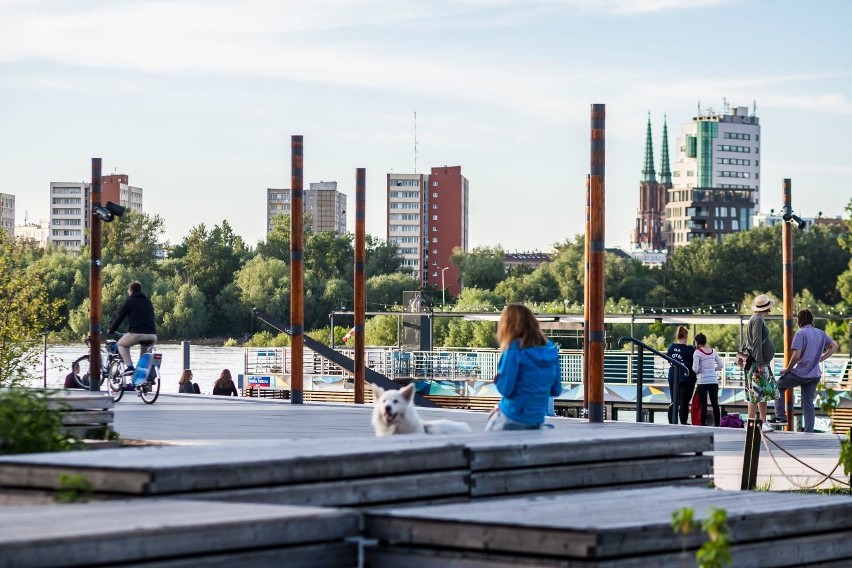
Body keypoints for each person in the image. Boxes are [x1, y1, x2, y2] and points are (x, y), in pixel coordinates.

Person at [485, 304, 562, 431]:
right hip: (537, 420)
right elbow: (556, 390)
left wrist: (498, 380)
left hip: (513, 416)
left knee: (491, 421)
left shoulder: (514, 349)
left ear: (507, 326)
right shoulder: (551, 349)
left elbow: (506, 390)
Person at [768, 309, 839, 432]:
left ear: (799, 320)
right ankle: (809, 430)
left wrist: (788, 369)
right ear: (811, 319)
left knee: (778, 385)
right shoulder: (821, 333)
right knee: (808, 403)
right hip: (815, 375)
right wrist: (821, 358)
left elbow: (796, 356)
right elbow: (834, 346)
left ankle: (780, 417)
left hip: (801, 373)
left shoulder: (801, 334)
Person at [743, 294, 777, 433]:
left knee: (761, 394)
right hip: (758, 364)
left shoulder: (755, 319)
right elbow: (756, 343)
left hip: (759, 363)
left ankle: (762, 422)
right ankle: (752, 423)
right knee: (756, 394)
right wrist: (761, 363)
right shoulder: (757, 320)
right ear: (767, 308)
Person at [107, 281, 157, 376]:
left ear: (131, 291)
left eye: (128, 290)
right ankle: (142, 381)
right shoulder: (148, 301)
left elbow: (119, 317)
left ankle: (129, 366)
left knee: (121, 345)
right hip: (152, 335)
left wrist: (111, 330)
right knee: (143, 359)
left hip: (137, 333)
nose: (128, 292)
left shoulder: (130, 301)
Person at [666, 326, 697, 425]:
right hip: (686, 378)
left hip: (673, 376)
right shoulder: (689, 350)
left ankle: (672, 421)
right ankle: (683, 422)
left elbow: (668, 359)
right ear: (685, 336)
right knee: (684, 402)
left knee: (674, 400)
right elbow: (695, 362)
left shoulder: (671, 347)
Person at [692, 333, 723, 427]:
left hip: (703, 381)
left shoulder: (697, 352)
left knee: (703, 404)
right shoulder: (713, 351)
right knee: (715, 403)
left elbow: (695, 369)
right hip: (713, 380)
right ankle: (717, 424)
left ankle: (703, 424)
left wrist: (700, 371)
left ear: (697, 342)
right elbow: (721, 365)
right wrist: (713, 370)